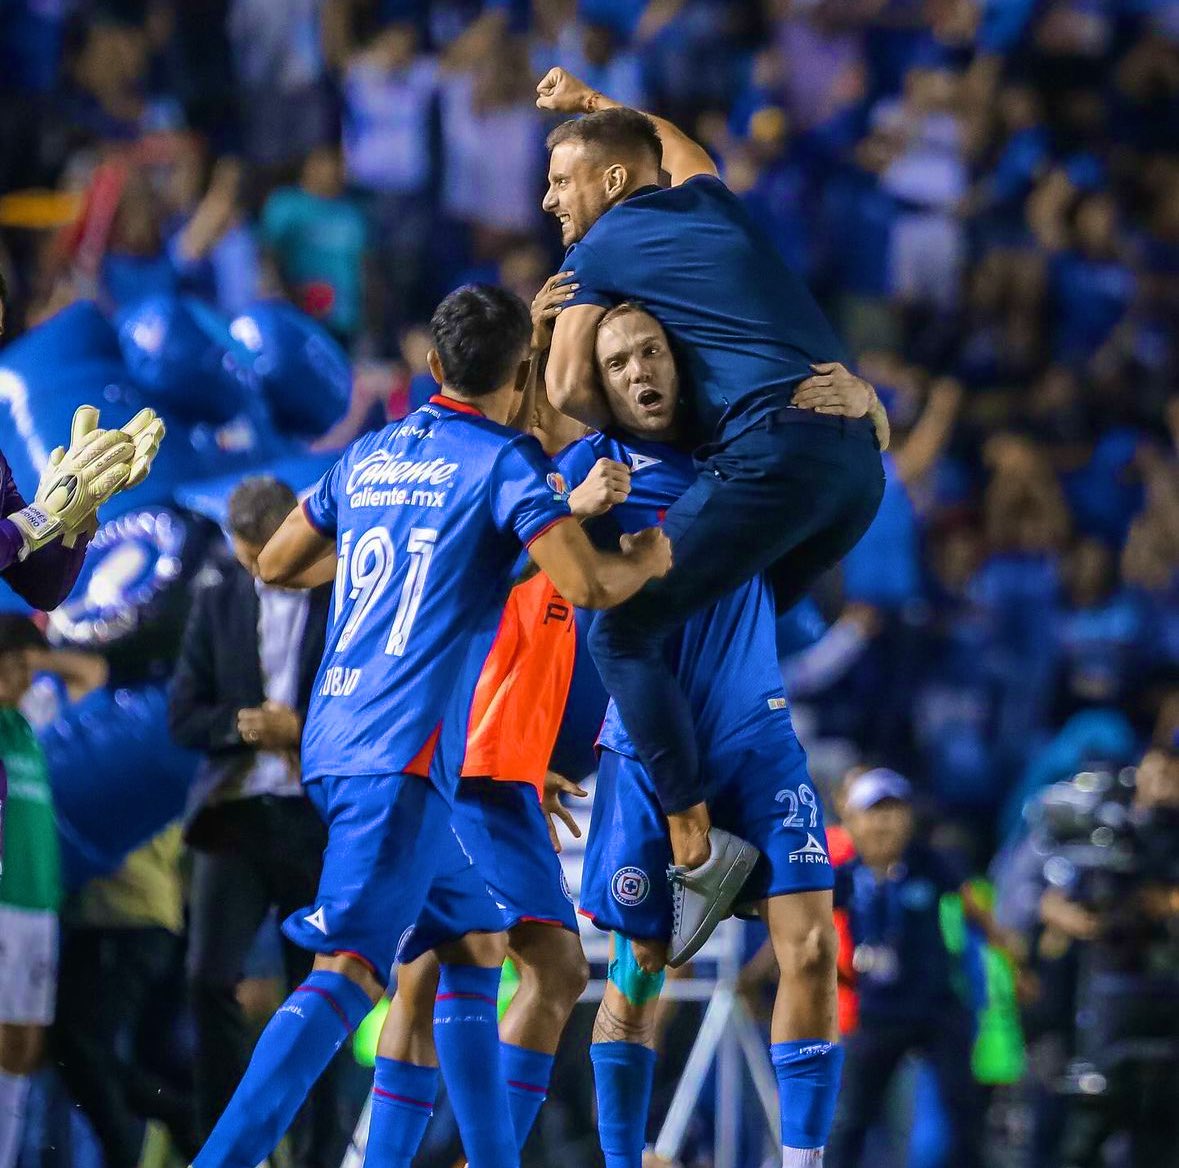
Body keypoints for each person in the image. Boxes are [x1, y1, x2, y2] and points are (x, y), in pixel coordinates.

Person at [192, 284, 671, 1167]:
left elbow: (278, 562)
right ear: (522, 369)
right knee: (351, 976)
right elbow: (587, 586)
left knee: (473, 945)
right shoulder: (505, 464)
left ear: (434, 366)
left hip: (338, 736)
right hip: (403, 754)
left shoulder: (368, 454)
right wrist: (640, 560)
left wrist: (409, 528)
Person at [534, 67, 888, 961]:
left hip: (775, 453)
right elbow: (674, 147)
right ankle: (724, 775)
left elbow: (572, 392)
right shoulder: (712, 203)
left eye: (561, 181)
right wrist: (591, 104)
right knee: (736, 608)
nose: (548, 200)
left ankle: (695, 841)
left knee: (619, 631)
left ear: (611, 185)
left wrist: (562, 316)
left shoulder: (600, 249)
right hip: (852, 471)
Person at [552, 301, 876, 1168]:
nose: (637, 374)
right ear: (596, 383)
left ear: (678, 358)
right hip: (645, 758)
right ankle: (624, 1162)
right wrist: (577, 506)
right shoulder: (591, 468)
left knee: (809, 948)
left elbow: (848, 447)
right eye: (616, 364)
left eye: (649, 352)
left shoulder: (741, 452)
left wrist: (868, 403)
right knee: (638, 972)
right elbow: (517, 561)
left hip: (757, 739)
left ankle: (800, 1163)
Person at [167, 475, 346, 1163]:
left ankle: (318, 1154)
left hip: (319, 818)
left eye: (266, 555)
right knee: (208, 979)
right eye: (247, 558)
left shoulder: (345, 591)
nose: (260, 571)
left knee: (325, 989)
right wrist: (247, 727)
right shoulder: (218, 600)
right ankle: (223, 1146)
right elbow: (182, 716)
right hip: (235, 816)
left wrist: (299, 729)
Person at [826, 769, 1010, 1168]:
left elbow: (974, 908)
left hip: (937, 1007)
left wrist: (1014, 959)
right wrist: (759, 973)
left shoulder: (930, 862)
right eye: (874, 812)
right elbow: (805, 929)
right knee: (851, 1118)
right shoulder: (845, 876)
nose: (886, 822)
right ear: (851, 821)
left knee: (964, 1112)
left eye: (895, 811)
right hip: (878, 1013)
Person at [0, 616, 64, 1168]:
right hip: (1, 901)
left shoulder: (27, 722)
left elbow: (93, 673)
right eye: (16, 665)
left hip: (38, 905)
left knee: (23, 1044)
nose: (27, 678)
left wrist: (33, 659)